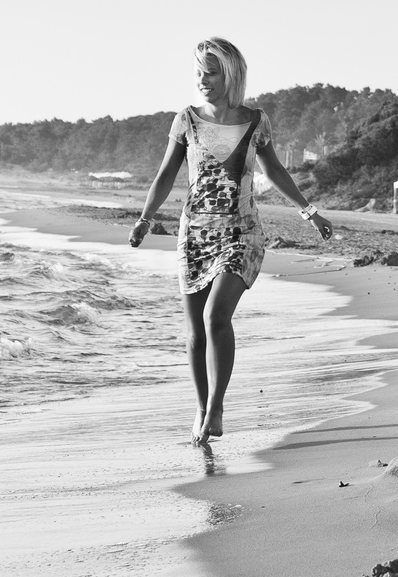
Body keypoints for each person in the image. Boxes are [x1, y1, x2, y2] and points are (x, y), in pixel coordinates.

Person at [128, 37, 333, 445]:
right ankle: (202, 408)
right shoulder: (185, 120)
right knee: (194, 333)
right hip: (194, 235)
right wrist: (145, 219)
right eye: (199, 72)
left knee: (215, 318)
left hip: (241, 233)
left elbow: (273, 170)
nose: (203, 80)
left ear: (231, 74)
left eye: (212, 72)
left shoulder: (256, 121)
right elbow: (167, 174)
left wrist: (309, 212)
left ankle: (218, 406)